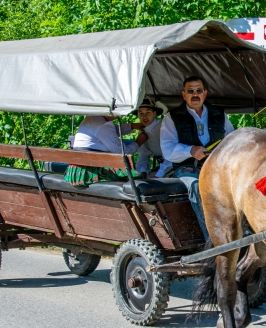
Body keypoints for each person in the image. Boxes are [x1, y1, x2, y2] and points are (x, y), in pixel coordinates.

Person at [159, 75, 234, 241]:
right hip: (186, 168)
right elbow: (168, 149)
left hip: (215, 167)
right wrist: (191, 151)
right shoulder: (172, 117)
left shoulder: (219, 115)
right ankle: (212, 240)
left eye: (199, 91)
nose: (195, 94)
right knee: (197, 186)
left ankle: (242, 234)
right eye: (190, 91)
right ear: (184, 94)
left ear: (205, 93)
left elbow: (231, 139)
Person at [66, 115, 146, 186]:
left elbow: (109, 132)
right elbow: (122, 152)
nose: (121, 114)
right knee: (136, 175)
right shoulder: (103, 125)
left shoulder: (92, 118)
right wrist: (139, 142)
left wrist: (132, 126)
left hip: (76, 172)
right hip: (91, 173)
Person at [133, 96, 169, 178]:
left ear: (155, 113)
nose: (144, 117)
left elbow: (170, 154)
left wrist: (159, 174)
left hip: (172, 164)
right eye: (141, 113)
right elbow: (144, 154)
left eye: (148, 112)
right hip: (162, 166)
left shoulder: (163, 127)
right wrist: (143, 171)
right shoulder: (142, 131)